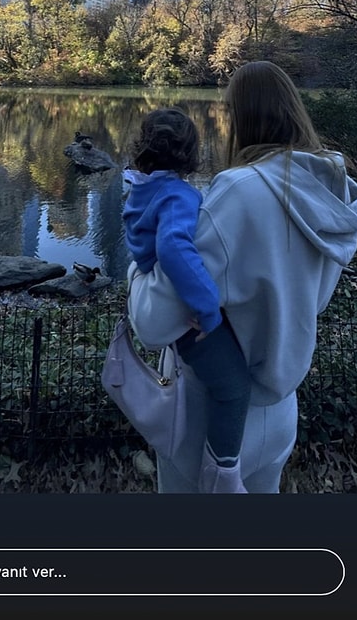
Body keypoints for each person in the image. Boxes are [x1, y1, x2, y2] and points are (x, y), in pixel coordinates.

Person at [127, 62, 357, 493]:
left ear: (240, 116)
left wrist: (135, 272)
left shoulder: (238, 191)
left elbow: (153, 324)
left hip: (209, 417)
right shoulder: (334, 188)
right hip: (278, 407)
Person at [123, 108, 252, 493]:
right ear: (191, 153)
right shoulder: (178, 194)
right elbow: (174, 247)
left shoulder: (141, 187)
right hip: (185, 311)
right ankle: (224, 475)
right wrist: (209, 309)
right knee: (234, 387)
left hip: (157, 290)